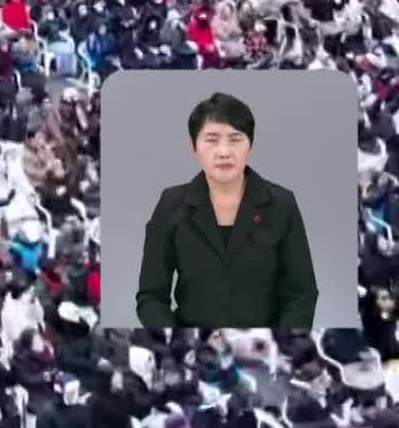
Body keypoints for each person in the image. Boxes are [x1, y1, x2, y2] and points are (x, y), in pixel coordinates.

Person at [133, 91, 319, 329]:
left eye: (235, 139)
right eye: (211, 140)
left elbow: (302, 295)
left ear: (250, 144)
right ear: (194, 146)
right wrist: (178, 341)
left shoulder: (281, 204)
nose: (223, 151)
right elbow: (150, 297)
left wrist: (278, 344)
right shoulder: (171, 205)